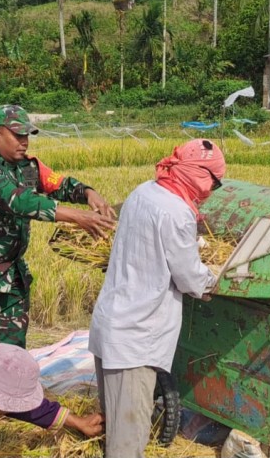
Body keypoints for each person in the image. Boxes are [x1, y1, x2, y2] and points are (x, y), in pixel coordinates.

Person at [88, 138, 225, 458]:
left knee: (114, 426)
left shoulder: (143, 192)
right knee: (127, 444)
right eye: (213, 182)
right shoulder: (177, 211)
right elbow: (190, 276)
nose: (209, 191)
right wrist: (215, 279)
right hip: (135, 339)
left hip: (112, 323)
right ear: (201, 174)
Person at [0, 104, 116, 350]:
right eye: (18, 135)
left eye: (27, 135)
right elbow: (21, 202)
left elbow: (58, 184)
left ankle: (3, 388)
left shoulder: (28, 167)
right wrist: (78, 217)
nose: (24, 142)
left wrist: (87, 193)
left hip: (12, 271)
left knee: (12, 351)